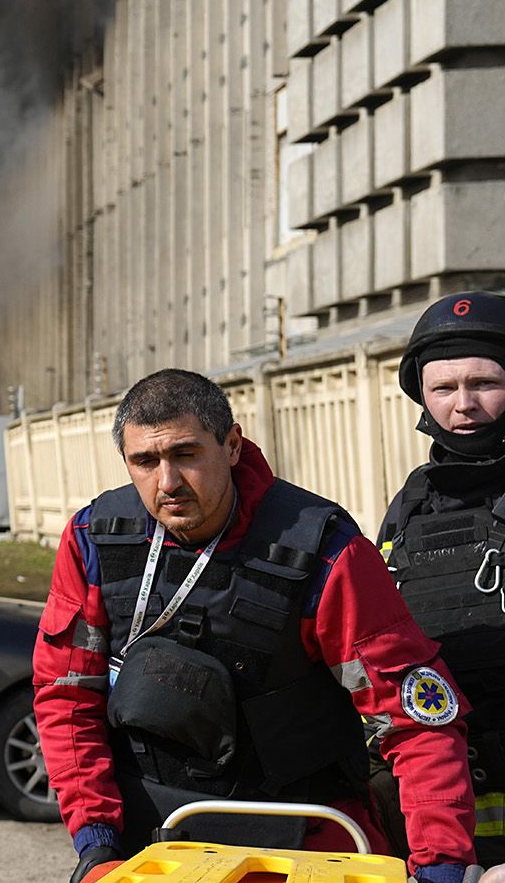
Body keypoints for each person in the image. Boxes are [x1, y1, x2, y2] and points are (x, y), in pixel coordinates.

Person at [32, 368, 476, 883]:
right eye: (145, 462)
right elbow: (66, 695)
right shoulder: (92, 540)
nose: (167, 482)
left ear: (233, 444)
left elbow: (414, 718)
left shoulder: (322, 550)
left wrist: (440, 866)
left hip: (303, 841)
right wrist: (95, 840)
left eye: (186, 454)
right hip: (149, 848)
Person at [376, 291, 505, 869]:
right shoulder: (410, 507)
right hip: (444, 806)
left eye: (484, 384)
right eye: (445, 389)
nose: (465, 405)